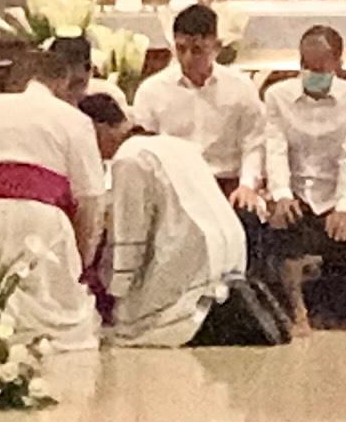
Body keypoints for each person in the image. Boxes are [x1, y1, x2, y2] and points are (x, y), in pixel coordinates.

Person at [0, 35, 109, 355]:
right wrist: (82, 258)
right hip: (40, 223)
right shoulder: (73, 118)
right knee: (54, 305)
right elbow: (91, 199)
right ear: (61, 83)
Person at [93, 96, 252, 347]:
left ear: (99, 128)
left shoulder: (129, 157)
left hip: (189, 250)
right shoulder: (177, 144)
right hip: (230, 243)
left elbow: (130, 229)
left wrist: (118, 288)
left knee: (130, 329)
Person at [246, 23, 346, 334]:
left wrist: (343, 205)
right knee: (282, 225)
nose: (312, 73)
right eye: (306, 65)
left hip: (335, 187)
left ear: (338, 63)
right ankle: (296, 308)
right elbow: (276, 147)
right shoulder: (277, 95)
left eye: (320, 68)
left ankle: (332, 304)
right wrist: (282, 193)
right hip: (295, 186)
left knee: (342, 232)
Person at [131, 4, 267, 197]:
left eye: (197, 50)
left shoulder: (240, 87)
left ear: (217, 47)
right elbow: (142, 148)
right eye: (181, 49)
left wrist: (247, 186)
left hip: (226, 184)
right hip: (173, 185)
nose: (187, 58)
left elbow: (253, 142)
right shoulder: (152, 90)